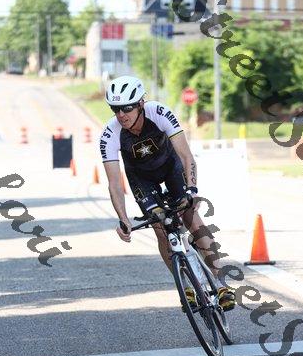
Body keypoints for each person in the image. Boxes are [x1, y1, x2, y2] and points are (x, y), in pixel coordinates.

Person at [99, 75, 235, 311]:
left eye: (127, 108)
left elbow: (186, 156)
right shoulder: (110, 134)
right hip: (142, 179)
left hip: (171, 167)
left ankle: (221, 284)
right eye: (115, 109)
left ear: (141, 104)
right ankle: (187, 287)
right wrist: (123, 219)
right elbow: (114, 183)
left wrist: (192, 189)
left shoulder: (159, 112)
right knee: (160, 228)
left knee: (191, 216)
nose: (121, 115)